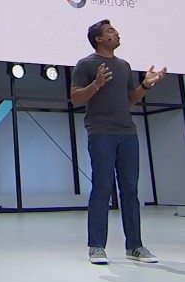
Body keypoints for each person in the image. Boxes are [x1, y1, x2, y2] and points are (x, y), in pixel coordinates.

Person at [71, 20, 166, 265]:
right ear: (99, 39)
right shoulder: (85, 64)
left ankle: (135, 246)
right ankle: (96, 246)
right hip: (100, 131)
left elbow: (130, 99)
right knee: (102, 188)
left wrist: (145, 84)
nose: (116, 33)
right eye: (110, 31)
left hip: (127, 132)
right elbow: (76, 98)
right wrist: (96, 84)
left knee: (130, 190)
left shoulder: (124, 66)